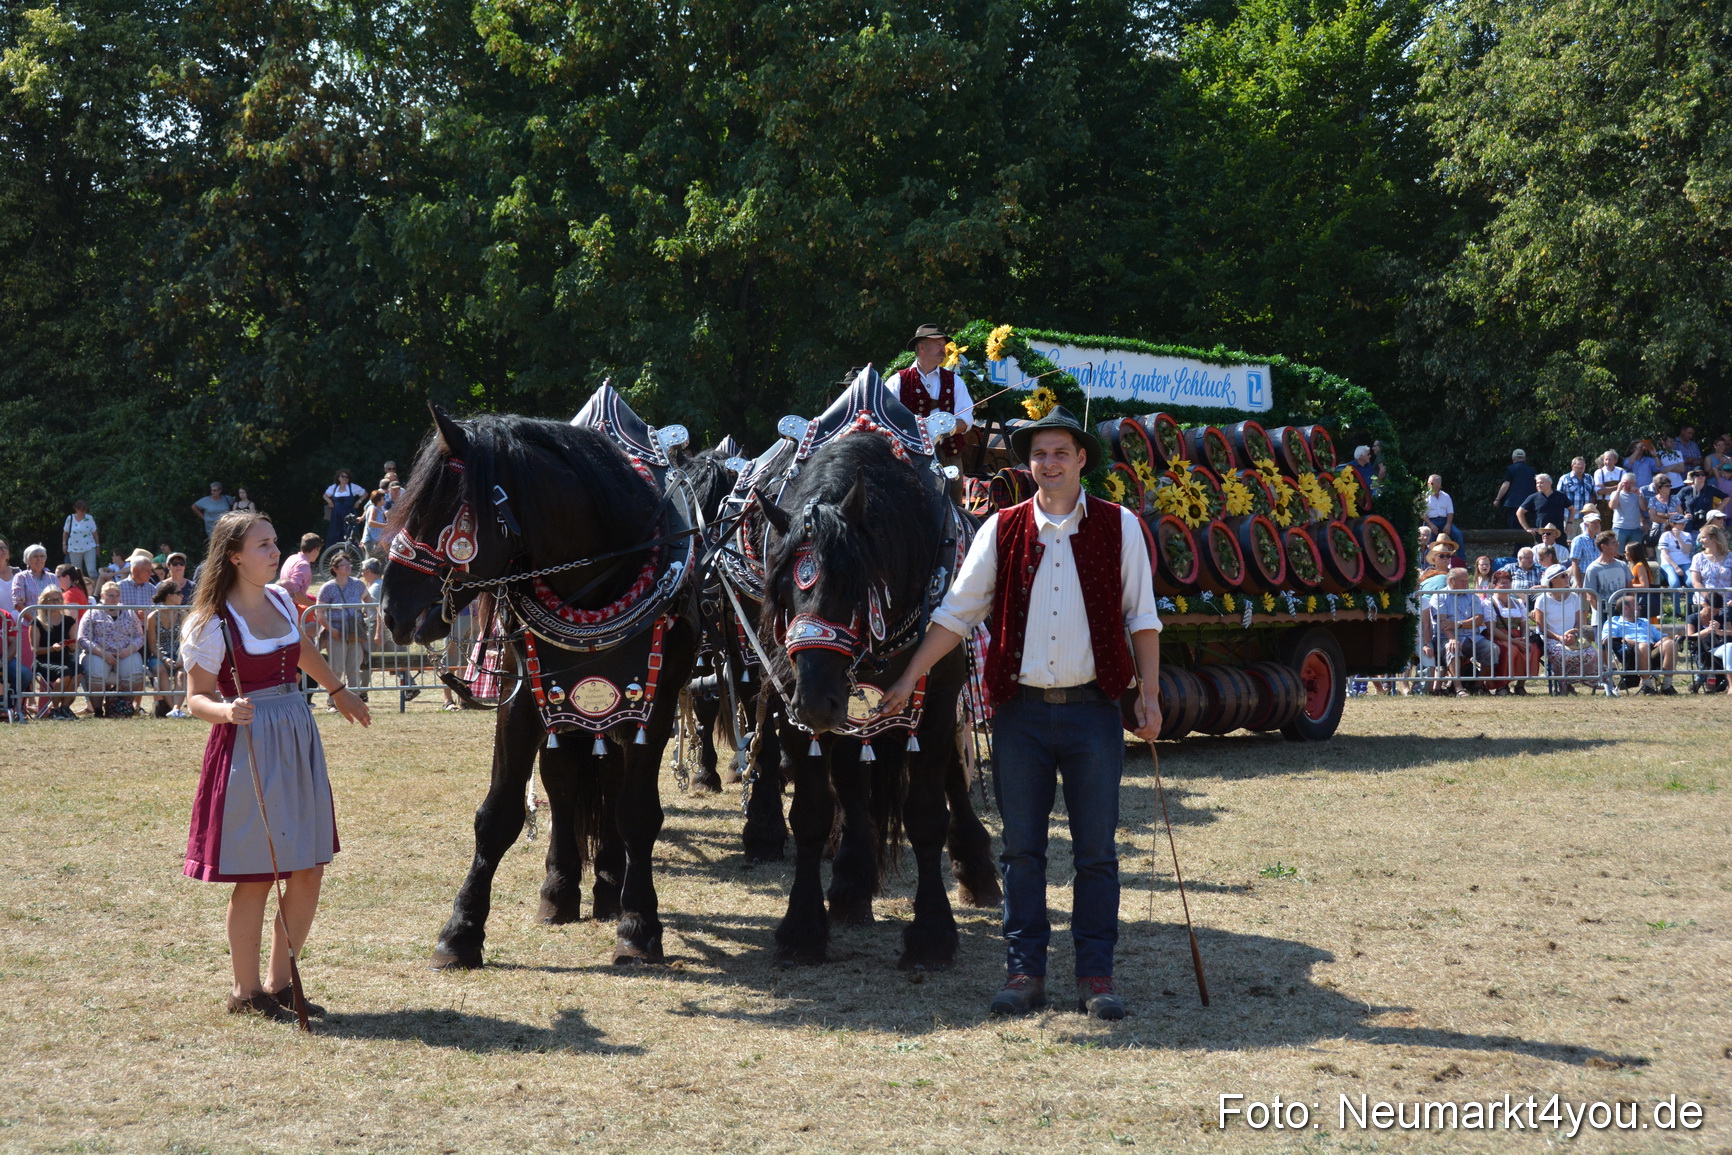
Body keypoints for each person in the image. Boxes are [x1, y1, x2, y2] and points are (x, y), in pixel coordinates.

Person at [876, 406, 1161, 1021]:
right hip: (1021, 717)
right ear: (1026, 465)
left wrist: (1151, 694)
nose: (1050, 463)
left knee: (1096, 853)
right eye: (1039, 455)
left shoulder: (1121, 526)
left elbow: (1143, 617)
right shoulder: (1000, 529)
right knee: (1021, 853)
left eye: (1061, 452)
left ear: (1082, 458)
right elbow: (956, 614)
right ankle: (1024, 972)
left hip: (1093, 713)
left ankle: (1096, 976)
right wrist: (908, 676)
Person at [180, 511, 369, 1021]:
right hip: (249, 743)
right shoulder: (211, 621)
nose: (273, 552)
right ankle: (245, 992)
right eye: (263, 545)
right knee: (257, 874)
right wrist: (225, 710)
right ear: (235, 556)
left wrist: (338, 690)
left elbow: (302, 649)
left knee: (308, 868)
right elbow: (195, 697)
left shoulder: (283, 600)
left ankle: (282, 984)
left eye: (275, 542)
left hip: (296, 733)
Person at [1423, 567, 1495, 695]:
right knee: (1453, 647)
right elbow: (1442, 623)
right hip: (1445, 638)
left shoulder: (1472, 596)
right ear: (1451, 581)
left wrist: (1458, 624)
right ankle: (1459, 688)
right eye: (1462, 581)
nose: (1466, 584)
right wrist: (1451, 638)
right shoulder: (1439, 596)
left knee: (1492, 648)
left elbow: (1478, 620)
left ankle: (1478, 686)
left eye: (1467, 581)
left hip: (1472, 637)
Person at [78, 581, 146, 717]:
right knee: (96, 675)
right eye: (110, 595)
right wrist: (102, 653)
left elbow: (139, 637)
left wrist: (129, 650)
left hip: (126, 653)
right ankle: (98, 710)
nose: (114, 599)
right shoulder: (92, 613)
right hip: (98, 653)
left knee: (135, 674)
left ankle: (123, 707)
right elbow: (82, 638)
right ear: (102, 595)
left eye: (116, 595)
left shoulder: (129, 613)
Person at [1532, 564, 1601, 692]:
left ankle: (1592, 682)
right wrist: (1559, 637)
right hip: (1551, 638)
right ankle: (1565, 685)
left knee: (1591, 653)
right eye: (1563, 576)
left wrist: (1573, 635)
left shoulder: (1574, 597)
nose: (1566, 578)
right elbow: (1541, 626)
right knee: (1562, 654)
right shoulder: (1542, 599)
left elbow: (1579, 623)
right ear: (1552, 580)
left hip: (1573, 637)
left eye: (1566, 575)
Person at [315, 554, 371, 706]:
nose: (349, 567)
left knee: (354, 669)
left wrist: (366, 614)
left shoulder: (358, 584)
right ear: (335, 569)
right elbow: (319, 613)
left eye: (349, 564)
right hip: (337, 633)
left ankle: (354, 702)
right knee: (336, 669)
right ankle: (332, 703)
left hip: (355, 632)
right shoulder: (328, 588)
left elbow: (369, 600)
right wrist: (331, 630)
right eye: (344, 564)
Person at [1603, 593, 1677, 694]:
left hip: (1651, 650)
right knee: (1643, 646)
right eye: (1636, 605)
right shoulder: (1614, 622)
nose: (1640, 607)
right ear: (1626, 608)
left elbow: (1662, 636)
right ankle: (1647, 686)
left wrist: (1662, 640)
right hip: (1630, 654)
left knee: (1670, 644)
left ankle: (1667, 686)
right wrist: (1632, 642)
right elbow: (1607, 639)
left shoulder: (1644, 622)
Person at [1482, 568, 1536, 694]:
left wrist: (1523, 638)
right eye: (1502, 583)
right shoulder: (1489, 603)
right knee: (1510, 650)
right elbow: (1492, 629)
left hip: (1516, 636)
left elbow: (1523, 625)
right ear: (1494, 586)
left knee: (1532, 649)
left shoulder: (1517, 602)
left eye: (1508, 583)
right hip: (1498, 636)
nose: (1506, 586)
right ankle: (1501, 686)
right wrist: (1514, 641)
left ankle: (1520, 685)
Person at [30, 586, 77, 719]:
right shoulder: (36, 622)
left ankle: (65, 708)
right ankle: (55, 709)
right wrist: (52, 648)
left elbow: (74, 646)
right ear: (44, 601)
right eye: (52, 600)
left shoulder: (69, 620)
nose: (56, 603)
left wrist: (73, 646)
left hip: (65, 659)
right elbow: (34, 650)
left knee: (79, 670)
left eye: (58, 599)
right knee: (65, 671)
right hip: (43, 661)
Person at [147, 580, 189, 717]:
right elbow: (152, 645)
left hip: (179, 654)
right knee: (161, 671)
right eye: (179, 593)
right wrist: (164, 658)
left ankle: (176, 709)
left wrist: (182, 657)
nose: (182, 596)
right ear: (169, 596)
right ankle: (175, 710)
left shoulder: (183, 615)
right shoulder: (153, 616)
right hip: (159, 655)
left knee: (182, 674)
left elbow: (186, 641)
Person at [1582, 530, 1633, 626]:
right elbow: (1590, 596)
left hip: (1623, 618)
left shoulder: (1622, 565)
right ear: (1603, 547)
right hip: (1602, 619)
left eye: (1616, 542)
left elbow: (1630, 589)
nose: (1617, 545)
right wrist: (1603, 613)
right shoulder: (1593, 569)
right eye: (1613, 543)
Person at [1492, 449, 1538, 530]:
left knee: (1514, 526)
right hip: (1529, 502)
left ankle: (1516, 542)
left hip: (1513, 503)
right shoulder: (1532, 470)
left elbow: (1506, 484)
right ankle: (1525, 542)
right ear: (1524, 458)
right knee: (1526, 526)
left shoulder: (1510, 469)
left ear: (1513, 458)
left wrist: (1497, 499)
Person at [1515, 473, 1570, 541]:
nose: (1538, 485)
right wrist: (1527, 528)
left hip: (1558, 534)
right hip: (1541, 535)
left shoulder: (1561, 496)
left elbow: (1571, 509)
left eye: (1541, 483)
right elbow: (1519, 512)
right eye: (1537, 483)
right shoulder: (1533, 497)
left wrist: (1569, 523)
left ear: (1549, 483)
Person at [322, 470, 365, 550]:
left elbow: (365, 493)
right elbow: (325, 495)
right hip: (336, 514)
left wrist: (358, 502)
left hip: (349, 513)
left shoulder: (353, 487)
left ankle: (353, 555)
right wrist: (330, 501)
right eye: (342, 476)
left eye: (346, 477)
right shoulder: (334, 487)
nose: (344, 478)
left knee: (350, 533)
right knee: (335, 534)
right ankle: (334, 554)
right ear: (338, 478)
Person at [278, 533, 321, 612]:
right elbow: (296, 595)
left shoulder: (292, 558)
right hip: (291, 606)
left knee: (314, 599)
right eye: (319, 550)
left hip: (282, 600)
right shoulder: (303, 565)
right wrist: (316, 607)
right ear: (316, 550)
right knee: (316, 621)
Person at [1558, 457, 1596, 537]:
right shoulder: (1564, 478)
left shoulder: (1589, 478)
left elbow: (1593, 495)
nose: (1581, 467)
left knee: (1586, 541)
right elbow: (1558, 498)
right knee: (1570, 542)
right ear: (1572, 466)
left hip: (1586, 517)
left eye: (1583, 465)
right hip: (1570, 518)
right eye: (1578, 465)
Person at [61, 500, 100, 575]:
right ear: (76, 509)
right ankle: (80, 586)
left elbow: (94, 532)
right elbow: (65, 532)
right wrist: (64, 544)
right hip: (74, 549)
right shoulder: (70, 518)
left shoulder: (89, 518)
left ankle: (95, 586)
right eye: (81, 511)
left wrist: (97, 545)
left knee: (92, 571)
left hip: (89, 547)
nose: (83, 513)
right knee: (77, 572)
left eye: (85, 511)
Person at [1422, 475, 1462, 548]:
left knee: (1457, 534)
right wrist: (1431, 525)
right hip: (1430, 521)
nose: (1428, 485)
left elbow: (1450, 512)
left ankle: (1461, 559)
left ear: (1439, 484)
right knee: (1427, 538)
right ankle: (1427, 558)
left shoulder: (1446, 496)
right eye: (1428, 483)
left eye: (1431, 483)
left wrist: (1448, 524)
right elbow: (1423, 514)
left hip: (1444, 521)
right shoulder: (1424, 497)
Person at [1606, 474, 1645, 549]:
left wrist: (1639, 495)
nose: (1628, 485)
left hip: (1635, 528)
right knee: (1618, 553)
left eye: (1631, 483)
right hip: (1620, 528)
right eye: (1626, 483)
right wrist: (1618, 490)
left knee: (1635, 554)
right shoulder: (1615, 494)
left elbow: (1644, 508)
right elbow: (1612, 506)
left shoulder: (1638, 494)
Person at [12, 544, 54, 611]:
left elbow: (59, 600)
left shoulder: (53, 577)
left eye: (42, 556)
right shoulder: (21, 577)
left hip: (51, 620)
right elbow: (18, 604)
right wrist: (34, 621)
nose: (39, 559)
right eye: (35, 556)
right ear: (27, 559)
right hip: (30, 620)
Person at [1658, 520, 1694, 591]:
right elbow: (1665, 554)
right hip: (1668, 564)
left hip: (1685, 563)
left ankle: (1690, 602)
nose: (1683, 525)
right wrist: (1676, 567)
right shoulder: (1665, 535)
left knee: (1690, 582)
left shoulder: (1687, 535)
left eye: (1684, 524)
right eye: (1681, 524)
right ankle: (1675, 602)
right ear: (1673, 525)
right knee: (1674, 583)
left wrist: (1678, 537)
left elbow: (1686, 551)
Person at [1569, 512, 1602, 576]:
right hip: (1583, 575)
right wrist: (1579, 584)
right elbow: (1575, 563)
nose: (1597, 525)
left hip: (1598, 575)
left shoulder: (1599, 540)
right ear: (1586, 524)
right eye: (1594, 522)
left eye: (1598, 522)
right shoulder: (1579, 540)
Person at [360, 489, 390, 556]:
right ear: (378, 500)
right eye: (383, 498)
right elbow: (370, 522)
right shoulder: (374, 509)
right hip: (371, 540)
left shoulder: (380, 509)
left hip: (376, 540)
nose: (385, 500)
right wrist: (384, 525)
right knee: (372, 562)